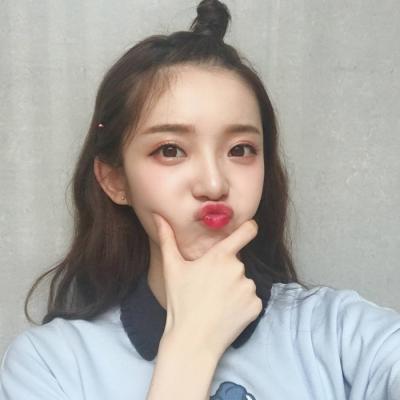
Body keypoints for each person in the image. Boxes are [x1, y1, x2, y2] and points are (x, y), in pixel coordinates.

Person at [1, 0, 399, 399]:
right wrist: (191, 347)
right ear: (115, 179)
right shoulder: (50, 366)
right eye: (170, 150)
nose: (213, 183)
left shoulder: (341, 334)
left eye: (240, 149)